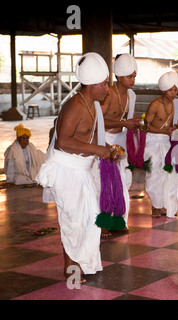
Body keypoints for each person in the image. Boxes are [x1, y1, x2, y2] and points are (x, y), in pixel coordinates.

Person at [35, 52, 111, 284]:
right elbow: (63, 141)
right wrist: (98, 151)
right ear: (91, 85)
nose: (107, 88)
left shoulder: (91, 104)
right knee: (72, 219)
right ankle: (70, 267)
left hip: (80, 168)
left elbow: (85, 139)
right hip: (66, 170)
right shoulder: (74, 106)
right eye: (105, 84)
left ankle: (84, 262)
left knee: (88, 217)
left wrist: (105, 147)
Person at [100, 53, 139, 236]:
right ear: (118, 76)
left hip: (119, 142)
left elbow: (127, 120)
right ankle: (102, 224)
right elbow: (98, 122)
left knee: (122, 183)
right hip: (104, 141)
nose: (132, 80)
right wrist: (124, 124)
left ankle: (119, 220)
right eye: (129, 76)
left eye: (134, 76)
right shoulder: (107, 94)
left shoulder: (131, 95)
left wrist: (134, 124)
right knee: (104, 184)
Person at [144, 71, 178, 218]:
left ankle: (166, 204)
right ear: (163, 89)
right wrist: (163, 131)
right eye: (170, 90)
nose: (173, 93)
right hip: (153, 141)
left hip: (168, 142)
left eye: (175, 90)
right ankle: (155, 205)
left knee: (168, 174)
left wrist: (177, 132)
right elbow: (145, 126)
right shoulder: (155, 104)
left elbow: (177, 124)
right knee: (154, 173)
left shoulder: (177, 104)